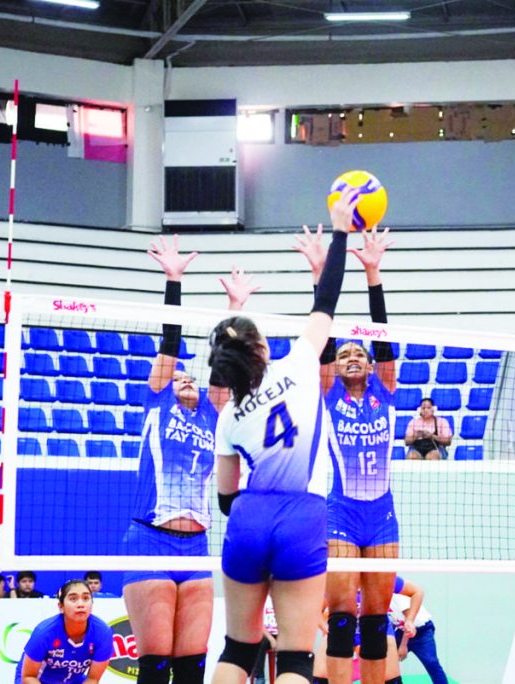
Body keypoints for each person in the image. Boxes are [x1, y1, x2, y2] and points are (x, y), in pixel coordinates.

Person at [209, 187, 357, 684]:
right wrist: (339, 229)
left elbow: (226, 497)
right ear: (263, 346)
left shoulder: (228, 415)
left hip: (250, 515)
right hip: (303, 513)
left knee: (237, 647)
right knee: (295, 656)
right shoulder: (298, 362)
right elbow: (328, 301)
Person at [120, 236, 255, 684]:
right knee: (156, 668)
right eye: (176, 376)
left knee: (192, 668)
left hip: (196, 547)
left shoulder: (213, 416)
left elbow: (226, 362)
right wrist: (174, 281)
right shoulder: (156, 404)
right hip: (150, 542)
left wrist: (234, 307)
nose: (184, 378)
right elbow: (171, 342)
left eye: (189, 376)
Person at [294, 222, 400, 684]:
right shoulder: (328, 393)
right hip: (339, 512)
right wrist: (321, 277)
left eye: (361, 353)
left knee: (377, 620)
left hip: (382, 514)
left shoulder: (387, 387)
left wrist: (373, 274)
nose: (353, 356)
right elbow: (324, 339)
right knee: (341, 617)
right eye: (346, 353)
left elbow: (382, 337)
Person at [15, 579, 114, 684]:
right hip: (36, 679)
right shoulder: (44, 633)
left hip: (72, 680)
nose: (81, 604)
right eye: (73, 599)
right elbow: (28, 676)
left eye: (86, 598)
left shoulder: (103, 633)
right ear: (61, 607)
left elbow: (93, 679)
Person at [390, 576, 449, 684]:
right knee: (385, 659)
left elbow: (409, 624)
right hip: (399, 630)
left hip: (421, 631)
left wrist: (403, 646)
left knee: (431, 662)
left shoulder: (397, 596)